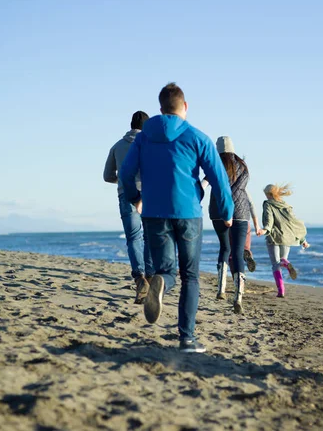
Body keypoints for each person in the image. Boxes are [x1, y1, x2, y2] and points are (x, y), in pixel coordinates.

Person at [119, 83, 234, 353]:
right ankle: (187, 339)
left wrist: (135, 197)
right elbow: (220, 180)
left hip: (154, 214)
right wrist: (227, 213)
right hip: (188, 214)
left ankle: (161, 283)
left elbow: (125, 173)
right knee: (191, 276)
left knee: (167, 271)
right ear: (185, 107)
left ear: (160, 110)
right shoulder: (198, 137)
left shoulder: (144, 138)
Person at [103, 111, 154, 304]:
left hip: (126, 195)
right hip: (149, 195)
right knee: (149, 237)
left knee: (133, 237)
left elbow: (107, 175)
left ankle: (139, 277)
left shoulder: (117, 146)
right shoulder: (151, 144)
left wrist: (123, 181)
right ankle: (149, 275)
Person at [207, 137, 260, 313]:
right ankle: (238, 296)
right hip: (241, 212)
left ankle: (221, 289)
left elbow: (205, 182)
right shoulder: (243, 166)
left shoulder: (214, 164)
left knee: (225, 248)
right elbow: (240, 190)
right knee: (237, 253)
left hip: (217, 211)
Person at [257, 184, 310, 297]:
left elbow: (269, 222)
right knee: (282, 259)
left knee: (275, 265)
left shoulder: (268, 204)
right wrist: (303, 240)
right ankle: (285, 262)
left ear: (269, 194)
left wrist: (264, 230)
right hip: (287, 237)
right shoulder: (286, 206)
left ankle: (281, 291)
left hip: (274, 237)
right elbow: (293, 224)